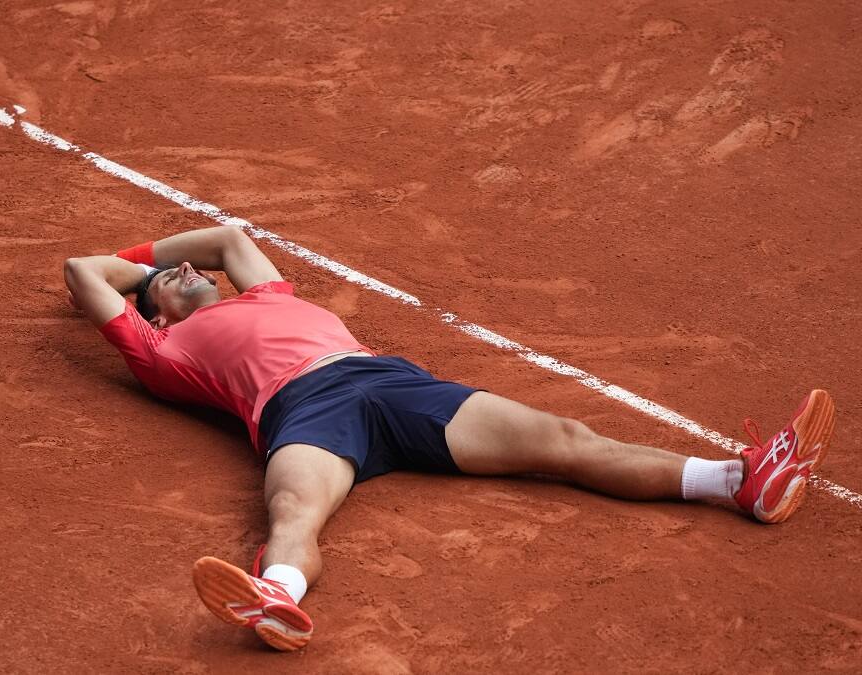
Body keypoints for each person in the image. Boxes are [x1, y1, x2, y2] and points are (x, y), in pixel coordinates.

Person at [63, 225, 836, 652]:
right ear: (152, 315)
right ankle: (278, 598)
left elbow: (230, 237)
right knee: (294, 510)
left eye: (186, 266)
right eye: (170, 277)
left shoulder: (262, 288)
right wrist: (137, 278)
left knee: (564, 438)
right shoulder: (162, 353)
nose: (190, 267)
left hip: (391, 383)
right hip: (302, 413)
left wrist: (162, 266)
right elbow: (80, 268)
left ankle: (737, 481)